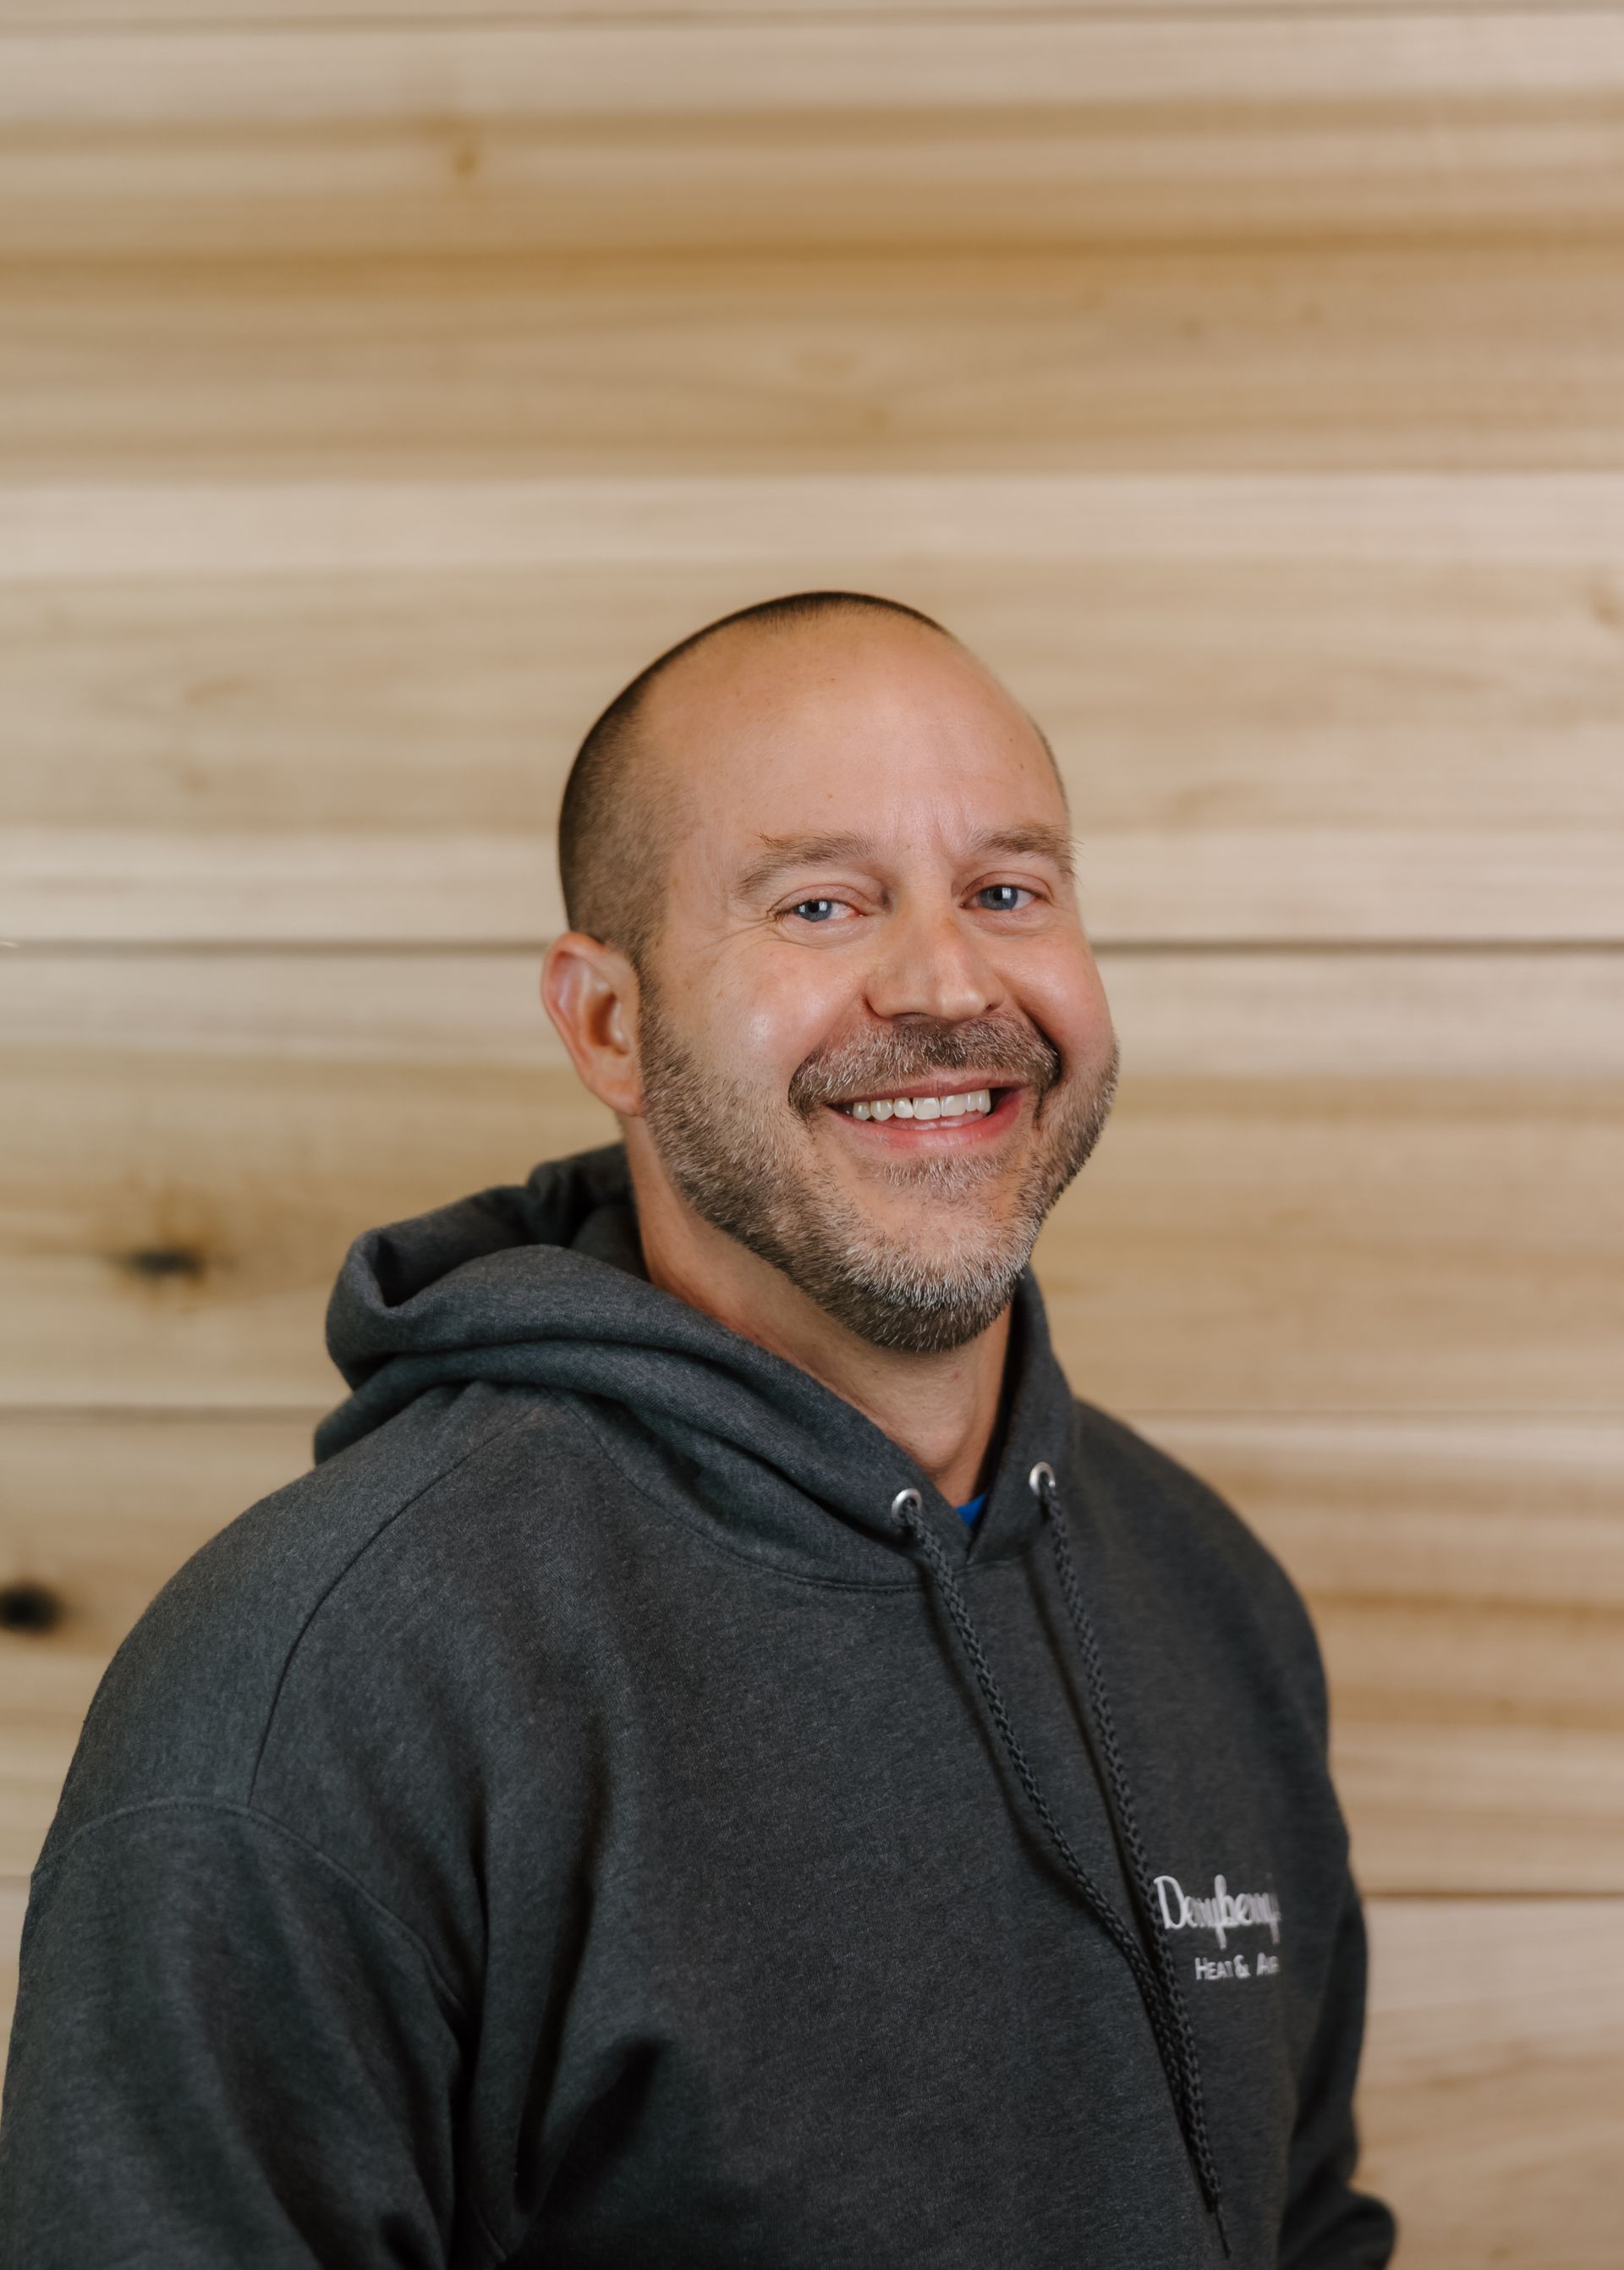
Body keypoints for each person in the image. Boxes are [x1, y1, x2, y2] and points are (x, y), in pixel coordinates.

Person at [0, 592, 1396, 2267]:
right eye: (822, 902)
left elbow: (1303, 2221)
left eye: (1009, 889)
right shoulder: (322, 1680)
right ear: (609, 1024)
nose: (949, 979)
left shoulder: (1207, 1595)